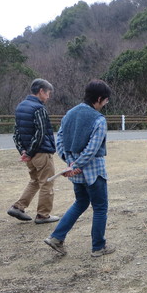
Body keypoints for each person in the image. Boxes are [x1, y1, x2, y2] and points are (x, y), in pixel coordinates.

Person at [44, 79, 114, 258]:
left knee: (81, 202)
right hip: (93, 172)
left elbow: (59, 139)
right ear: (99, 98)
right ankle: (98, 247)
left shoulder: (69, 114)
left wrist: (70, 162)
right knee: (100, 207)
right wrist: (77, 165)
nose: (105, 104)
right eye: (105, 100)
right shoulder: (98, 119)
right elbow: (92, 148)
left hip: (75, 172)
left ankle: (57, 237)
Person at [8, 79, 60, 224]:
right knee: (47, 183)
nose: (49, 96)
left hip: (29, 154)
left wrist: (23, 151)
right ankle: (43, 215)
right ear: (41, 91)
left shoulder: (20, 107)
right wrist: (30, 152)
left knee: (35, 180)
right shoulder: (39, 108)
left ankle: (18, 207)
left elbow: (16, 134)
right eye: (48, 93)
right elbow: (41, 133)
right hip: (41, 152)